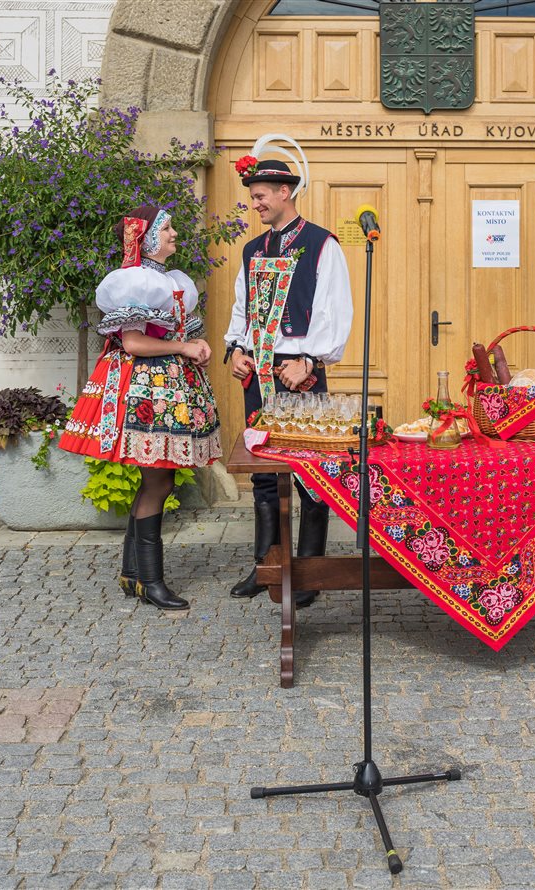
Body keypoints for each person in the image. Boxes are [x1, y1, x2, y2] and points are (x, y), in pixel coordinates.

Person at [59, 204, 222, 611]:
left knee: (158, 481)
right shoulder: (134, 280)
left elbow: (179, 331)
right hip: (145, 391)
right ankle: (149, 580)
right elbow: (133, 344)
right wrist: (183, 347)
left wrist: (194, 346)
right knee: (158, 483)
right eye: (167, 229)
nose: (174, 235)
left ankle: (135, 574)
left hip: (166, 387)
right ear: (147, 237)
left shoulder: (169, 279)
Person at [224, 144, 353, 609]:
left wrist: (312, 362)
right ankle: (268, 566)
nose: (255, 204)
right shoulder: (252, 249)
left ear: (285, 191)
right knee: (262, 473)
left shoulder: (322, 244)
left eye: (260, 195)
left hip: (300, 372)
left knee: (310, 474)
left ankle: (310, 571)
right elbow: (242, 307)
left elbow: (334, 311)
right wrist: (235, 348)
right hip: (258, 371)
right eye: (253, 197)